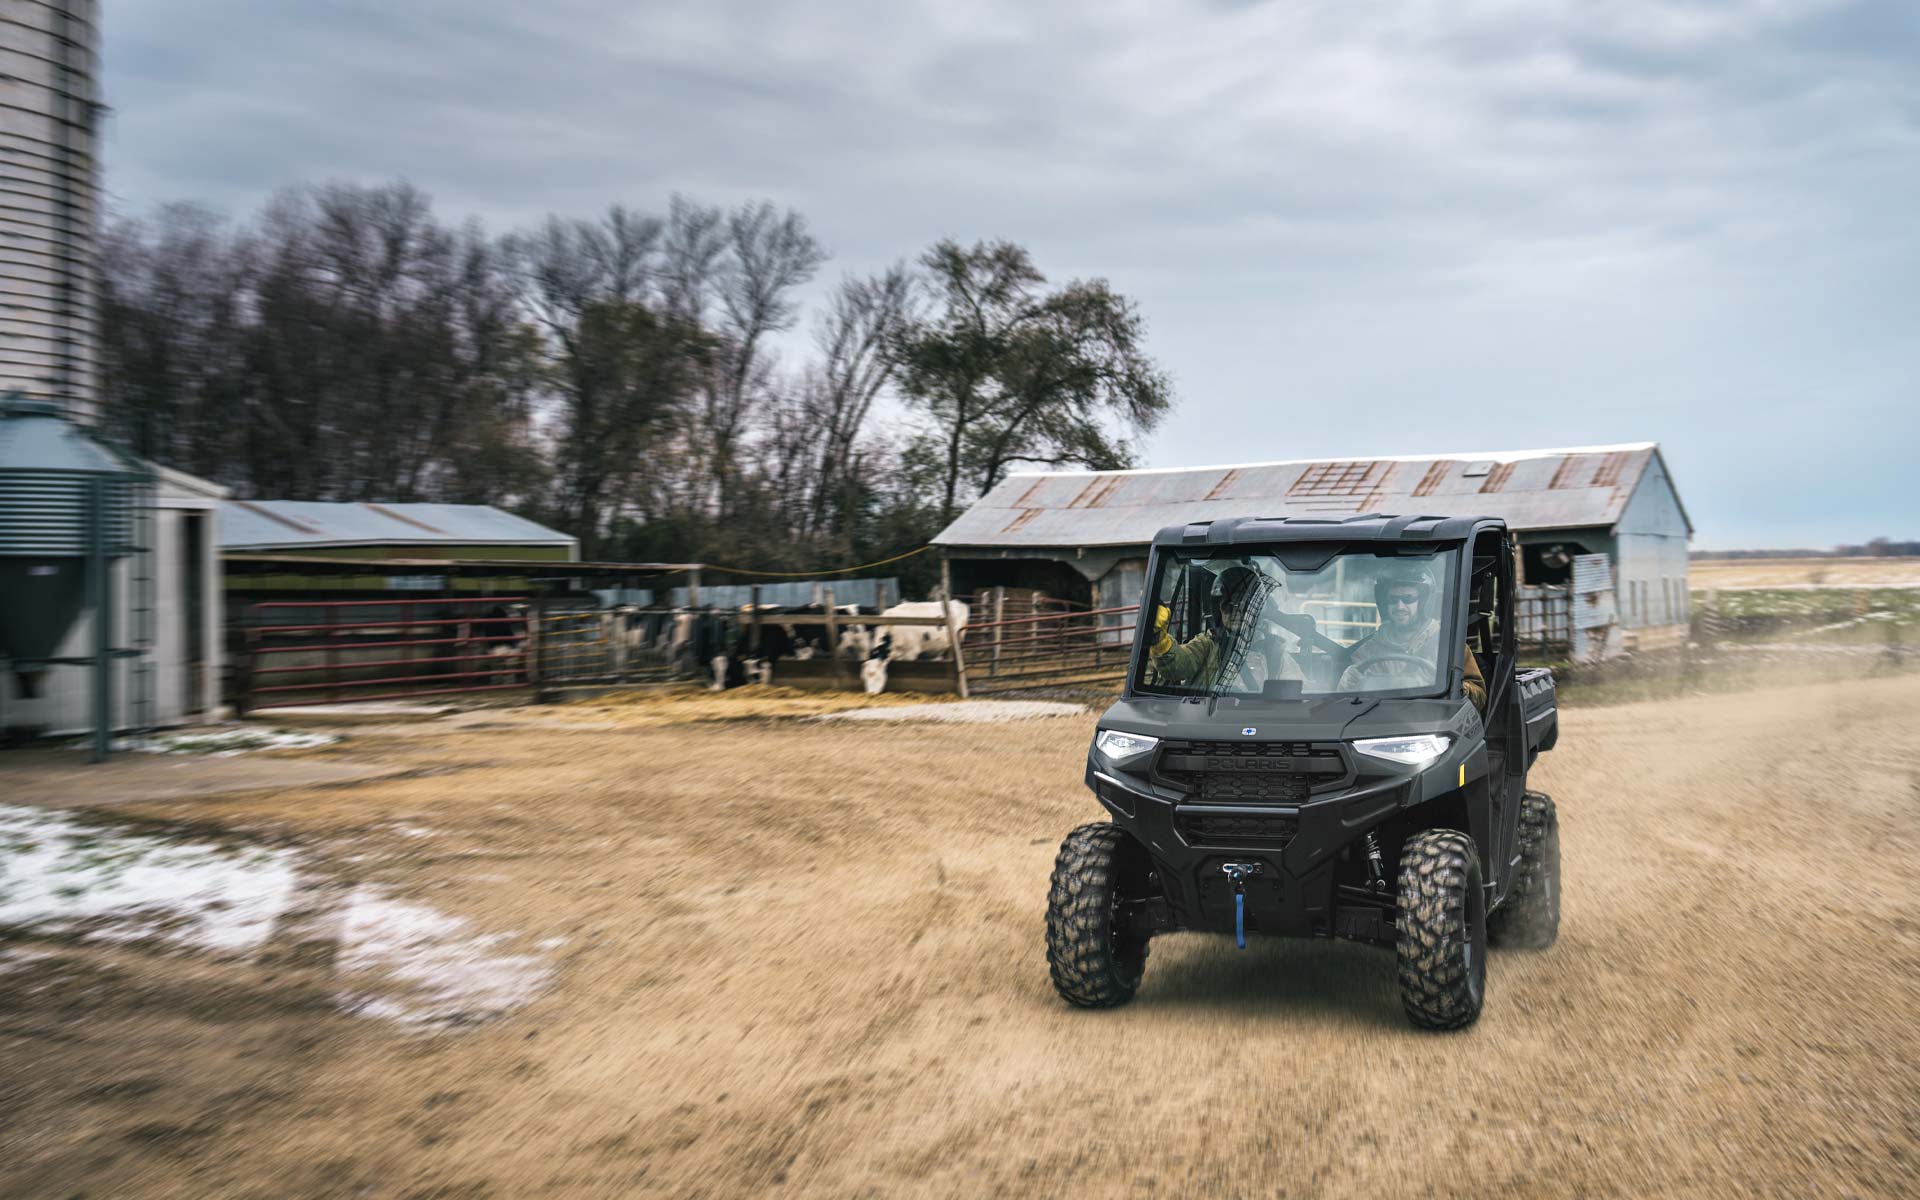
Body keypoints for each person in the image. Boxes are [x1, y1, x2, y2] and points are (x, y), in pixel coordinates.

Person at [1338, 565, 1486, 712]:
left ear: (1423, 602)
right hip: (1379, 723)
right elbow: (1346, 706)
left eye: (1408, 599)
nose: (1400, 606)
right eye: (1393, 599)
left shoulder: (1448, 647)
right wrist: (1347, 685)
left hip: (1431, 722)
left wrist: (1455, 689)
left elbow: (1479, 695)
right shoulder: (1367, 652)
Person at [1147, 565, 1286, 690]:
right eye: (1228, 607)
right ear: (1218, 610)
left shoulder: (1274, 650)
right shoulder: (1208, 644)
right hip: (1209, 710)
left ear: (1255, 611)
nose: (1235, 612)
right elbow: (1176, 666)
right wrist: (1159, 638)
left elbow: (1291, 693)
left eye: (1242, 606)